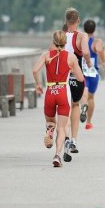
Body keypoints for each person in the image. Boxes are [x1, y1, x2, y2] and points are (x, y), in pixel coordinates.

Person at [33, 30, 84, 167]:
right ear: (65, 42)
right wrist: (72, 70)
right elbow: (80, 78)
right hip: (63, 92)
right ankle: (57, 155)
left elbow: (34, 70)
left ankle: (49, 130)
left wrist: (38, 84)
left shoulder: (46, 55)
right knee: (62, 128)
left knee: (51, 122)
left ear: (53, 41)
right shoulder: (71, 57)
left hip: (50, 91)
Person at [62, 8, 94, 158]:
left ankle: (65, 137)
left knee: (63, 108)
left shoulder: (59, 35)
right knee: (75, 105)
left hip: (61, 77)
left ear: (66, 20)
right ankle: (73, 140)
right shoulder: (82, 36)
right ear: (78, 20)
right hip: (76, 77)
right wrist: (88, 63)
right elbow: (86, 52)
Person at [81, 19, 104, 130]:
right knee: (91, 97)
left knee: (83, 91)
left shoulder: (81, 40)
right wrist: (103, 60)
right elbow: (100, 51)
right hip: (93, 71)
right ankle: (89, 122)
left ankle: (83, 106)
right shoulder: (97, 42)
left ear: (84, 28)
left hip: (82, 70)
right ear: (94, 29)